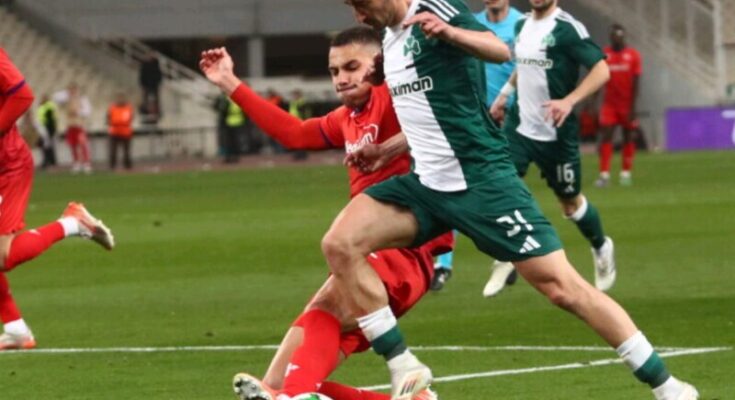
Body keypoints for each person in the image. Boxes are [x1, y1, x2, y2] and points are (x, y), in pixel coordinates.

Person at [337, 1, 698, 399]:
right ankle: (403, 365)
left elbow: (498, 49)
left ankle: (669, 388)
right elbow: (433, 112)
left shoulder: (435, 9)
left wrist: (450, 32)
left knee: (564, 288)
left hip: (481, 182)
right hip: (425, 186)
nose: (359, 16)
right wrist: (385, 150)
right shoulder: (389, 39)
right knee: (340, 243)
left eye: (361, 4)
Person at [199, 27, 452, 400]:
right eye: (334, 71)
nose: (341, 78)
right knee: (277, 382)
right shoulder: (347, 117)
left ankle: (295, 397)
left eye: (352, 67)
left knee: (324, 310)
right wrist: (229, 83)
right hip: (367, 255)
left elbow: (441, 114)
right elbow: (295, 133)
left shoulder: (395, 96)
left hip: (402, 250)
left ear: (378, 66)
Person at [487, 0, 617, 296]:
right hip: (520, 126)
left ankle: (601, 246)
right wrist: (505, 95)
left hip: (556, 133)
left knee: (569, 202)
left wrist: (569, 101)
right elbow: (523, 66)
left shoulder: (568, 29)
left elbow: (601, 70)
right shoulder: (521, 25)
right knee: (501, 184)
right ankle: (507, 256)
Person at [0, 47, 115, 350]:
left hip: (7, 166)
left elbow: (22, 96)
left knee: (2, 257)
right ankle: (15, 329)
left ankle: (72, 224)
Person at [431, 0, 525, 292]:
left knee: (496, 190)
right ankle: (443, 263)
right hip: (472, 120)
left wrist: (509, 100)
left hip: (509, 121)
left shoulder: (521, 24)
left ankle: (510, 254)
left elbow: (531, 68)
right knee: (453, 185)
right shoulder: (469, 22)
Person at [596, 24, 643, 187]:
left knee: (628, 136)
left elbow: (636, 83)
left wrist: (633, 107)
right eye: (614, 36)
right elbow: (598, 78)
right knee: (606, 136)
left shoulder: (633, 55)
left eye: (620, 36)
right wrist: (593, 100)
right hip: (609, 104)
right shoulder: (604, 55)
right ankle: (604, 175)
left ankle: (625, 173)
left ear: (624, 37)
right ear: (610, 37)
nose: (617, 39)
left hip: (627, 104)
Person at [53, 83, 93, 173]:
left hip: (80, 125)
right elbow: (55, 97)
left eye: (73, 90)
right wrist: (66, 93)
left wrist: (78, 112)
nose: (72, 92)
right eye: (70, 90)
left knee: (83, 144)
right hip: (70, 125)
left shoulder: (82, 99)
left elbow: (88, 111)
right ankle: (76, 163)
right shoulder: (66, 99)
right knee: (73, 145)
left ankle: (86, 163)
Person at [107, 92, 135, 170]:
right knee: (113, 150)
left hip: (125, 132)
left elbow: (130, 118)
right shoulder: (112, 108)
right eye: (119, 98)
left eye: (121, 98)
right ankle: (112, 166)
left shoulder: (128, 107)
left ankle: (128, 166)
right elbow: (108, 118)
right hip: (114, 132)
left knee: (126, 151)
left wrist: (120, 122)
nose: (120, 100)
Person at [287, 89, 311, 161]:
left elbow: (305, 114)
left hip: (299, 123)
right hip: (294, 123)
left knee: (300, 139)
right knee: (297, 139)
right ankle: (299, 153)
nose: (294, 96)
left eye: (295, 95)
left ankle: (301, 154)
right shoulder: (294, 103)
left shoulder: (301, 103)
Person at [36, 94, 59, 169]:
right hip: (43, 127)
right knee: (45, 145)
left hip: (48, 127)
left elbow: (50, 118)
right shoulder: (42, 106)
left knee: (49, 145)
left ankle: (51, 161)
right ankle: (47, 161)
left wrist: (51, 129)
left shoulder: (49, 105)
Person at [139, 52, 163, 116]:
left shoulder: (156, 64)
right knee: (145, 99)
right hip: (146, 85)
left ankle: (157, 112)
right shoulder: (144, 64)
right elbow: (142, 75)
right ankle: (144, 112)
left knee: (156, 99)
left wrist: (158, 83)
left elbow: (159, 74)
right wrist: (143, 85)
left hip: (154, 85)